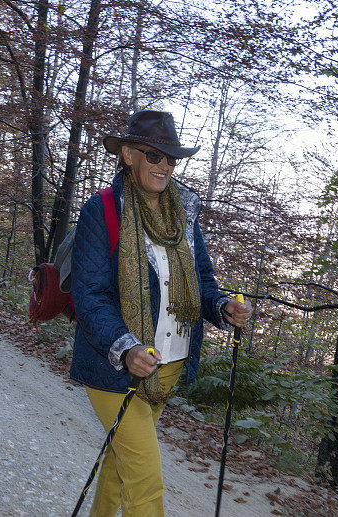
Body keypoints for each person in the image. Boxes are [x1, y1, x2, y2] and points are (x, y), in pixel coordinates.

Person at [69, 110, 250, 517]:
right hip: (114, 367)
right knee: (146, 483)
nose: (165, 165)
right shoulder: (103, 210)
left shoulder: (183, 211)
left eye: (171, 158)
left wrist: (222, 306)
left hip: (167, 366)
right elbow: (90, 295)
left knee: (120, 466)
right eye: (154, 155)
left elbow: (202, 279)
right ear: (129, 154)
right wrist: (126, 347)